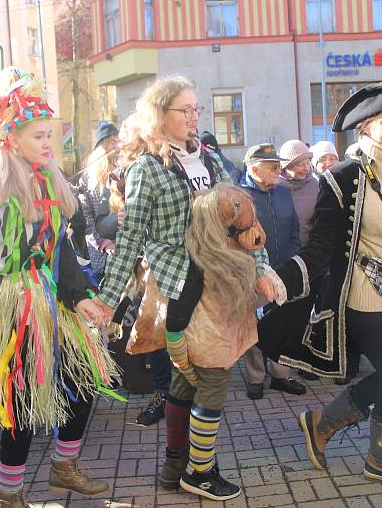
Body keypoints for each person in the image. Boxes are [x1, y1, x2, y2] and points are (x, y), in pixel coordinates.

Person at [266, 84, 382, 486]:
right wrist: (280, 279)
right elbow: (321, 244)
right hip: (361, 291)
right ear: (366, 127)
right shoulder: (343, 177)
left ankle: (320, 423)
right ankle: (381, 458)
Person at [92, 74, 274, 501]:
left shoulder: (210, 161)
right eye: (184, 110)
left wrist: (262, 268)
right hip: (180, 287)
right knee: (213, 376)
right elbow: (131, 237)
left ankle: (174, 467)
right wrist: (106, 298)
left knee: (187, 382)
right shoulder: (146, 170)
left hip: (222, 284)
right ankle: (200, 471)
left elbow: (244, 219)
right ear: (160, 115)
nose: (193, 117)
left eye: (197, 109)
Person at [0, 67, 116, 507]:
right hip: (13, 305)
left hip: (50, 297)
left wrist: (81, 297)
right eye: (39, 135)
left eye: (50, 135)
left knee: (85, 381)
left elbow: (58, 250)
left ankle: (64, 465)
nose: (47, 143)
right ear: (11, 138)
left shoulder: (48, 183)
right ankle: (9, 492)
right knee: (20, 405)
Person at [240, 143, 305, 399]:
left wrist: (292, 262)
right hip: (251, 275)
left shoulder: (282, 193)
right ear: (255, 169)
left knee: (282, 324)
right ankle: (256, 378)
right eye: (273, 167)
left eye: (279, 166)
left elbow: (294, 231)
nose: (280, 171)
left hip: (282, 271)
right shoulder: (240, 197)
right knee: (253, 326)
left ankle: (281, 375)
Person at [79, 121, 119, 280]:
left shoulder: (126, 170)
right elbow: (86, 219)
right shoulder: (89, 178)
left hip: (126, 252)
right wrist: (103, 243)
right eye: (111, 142)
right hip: (102, 256)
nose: (116, 146)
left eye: (117, 141)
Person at [278, 139, 317, 246]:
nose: (306, 168)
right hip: (282, 251)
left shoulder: (315, 185)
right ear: (286, 166)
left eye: (308, 163)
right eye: (300, 164)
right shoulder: (275, 186)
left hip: (308, 250)